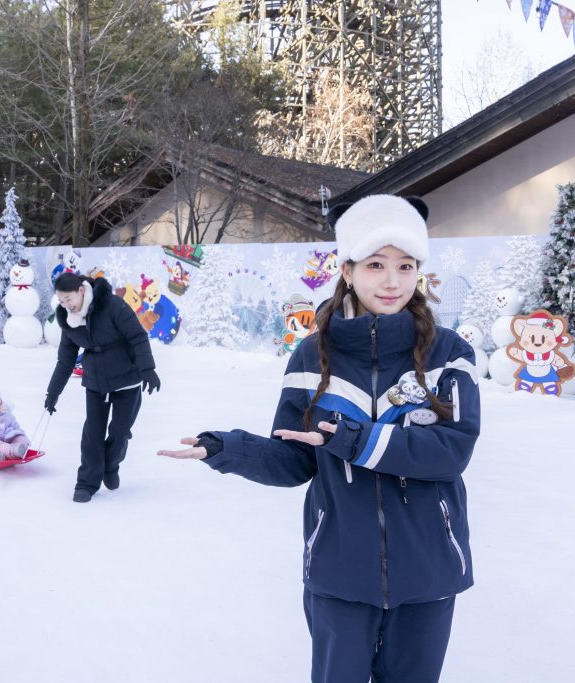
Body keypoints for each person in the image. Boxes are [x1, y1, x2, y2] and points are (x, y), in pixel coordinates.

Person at [158, 194, 480, 683]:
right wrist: (231, 449)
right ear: (348, 270)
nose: (392, 281)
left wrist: (357, 441)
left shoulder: (448, 353)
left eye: (405, 265)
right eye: (375, 264)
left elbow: (451, 451)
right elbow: (294, 460)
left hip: (428, 569)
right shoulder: (312, 357)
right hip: (339, 568)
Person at [45, 273, 161, 503]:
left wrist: (148, 369)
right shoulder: (69, 320)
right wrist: (53, 393)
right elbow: (65, 360)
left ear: (80, 290)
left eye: (69, 299)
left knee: (120, 431)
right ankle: (87, 483)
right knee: (92, 433)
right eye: (62, 301)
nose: (66, 305)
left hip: (127, 376)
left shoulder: (111, 304)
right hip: (96, 380)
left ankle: (111, 465)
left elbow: (138, 336)